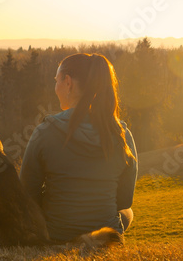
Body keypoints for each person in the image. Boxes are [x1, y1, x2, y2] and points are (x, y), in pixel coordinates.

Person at [19, 53, 138, 242]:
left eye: (56, 80)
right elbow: (124, 200)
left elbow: (27, 194)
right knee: (127, 212)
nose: (55, 87)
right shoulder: (121, 134)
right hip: (105, 236)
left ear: (68, 82)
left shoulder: (45, 131)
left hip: (57, 235)